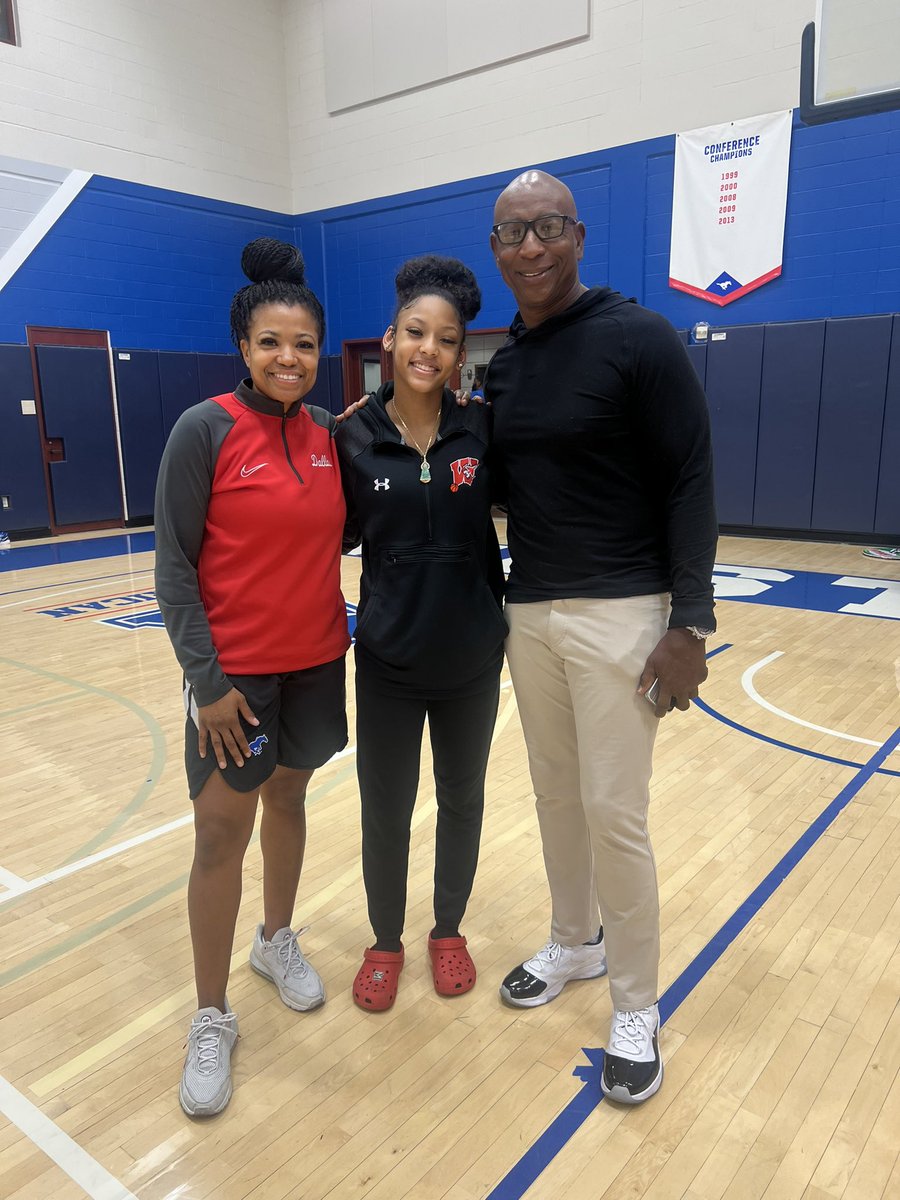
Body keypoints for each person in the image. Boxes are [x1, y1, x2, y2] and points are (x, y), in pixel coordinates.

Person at [486, 171, 717, 1105]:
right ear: (496, 249)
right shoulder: (505, 364)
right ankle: (574, 942)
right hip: (528, 611)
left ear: (578, 235)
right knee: (554, 796)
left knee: (615, 811)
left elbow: (692, 478)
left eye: (547, 229)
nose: (531, 248)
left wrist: (690, 621)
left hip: (623, 610)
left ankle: (635, 1002)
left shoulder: (639, 337)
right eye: (512, 234)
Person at [154, 238, 350, 1116]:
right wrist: (207, 679)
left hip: (315, 663)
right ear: (243, 346)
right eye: (271, 342)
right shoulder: (205, 430)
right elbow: (173, 568)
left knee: (290, 803)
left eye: (304, 345)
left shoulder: (327, 438)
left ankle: (277, 941)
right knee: (215, 840)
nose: (288, 359)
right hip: (233, 682)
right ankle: (210, 1015)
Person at [336, 255, 506, 1012]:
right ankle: (384, 942)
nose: (427, 349)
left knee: (461, 798)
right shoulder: (352, 437)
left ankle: (447, 930)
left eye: (445, 338)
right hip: (388, 661)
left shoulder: (483, 429)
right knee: (386, 806)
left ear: (460, 353)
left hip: (471, 657)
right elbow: (317, 535)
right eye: (415, 333)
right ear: (389, 339)